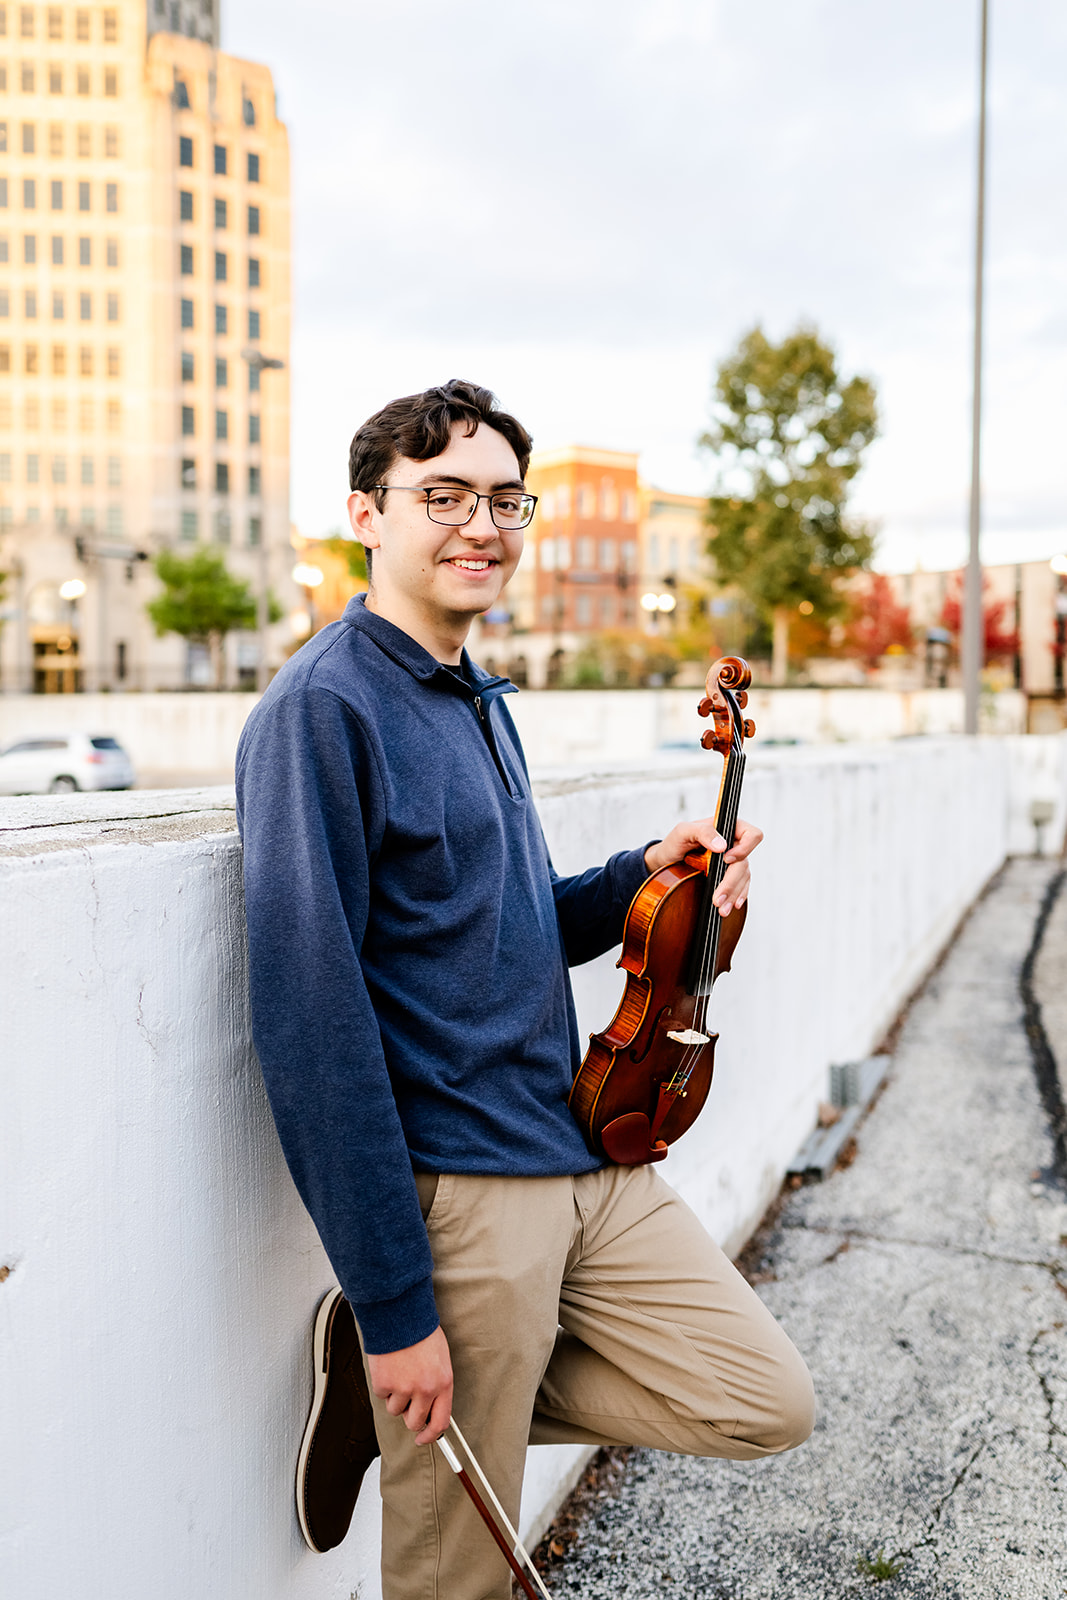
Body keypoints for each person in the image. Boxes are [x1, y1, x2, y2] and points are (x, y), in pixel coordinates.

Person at [235, 379, 814, 1598]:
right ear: (365, 512)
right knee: (459, 1583)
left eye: (504, 500)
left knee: (761, 1396)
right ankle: (408, 1372)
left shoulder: (470, 693)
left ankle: (408, 1394)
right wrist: (401, 1301)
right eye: (441, 496)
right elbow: (312, 1019)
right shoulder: (321, 710)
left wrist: (635, 880)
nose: (480, 527)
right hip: (465, 1195)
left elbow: (505, 927)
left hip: (582, 1148)